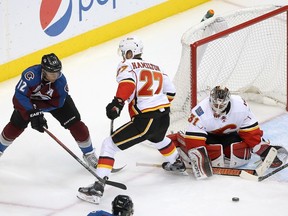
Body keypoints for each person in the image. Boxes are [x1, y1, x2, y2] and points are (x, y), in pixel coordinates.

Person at [77, 36, 185, 204]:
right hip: (164, 117)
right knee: (158, 138)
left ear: (130, 52)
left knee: (109, 145)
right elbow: (171, 92)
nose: (123, 56)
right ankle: (176, 162)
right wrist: (158, 106)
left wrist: (117, 104)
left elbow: (128, 84)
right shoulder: (156, 67)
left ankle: (97, 188)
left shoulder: (127, 65)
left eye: (124, 52)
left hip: (146, 119)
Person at [0, 53, 98, 169]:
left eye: (57, 72)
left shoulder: (61, 82)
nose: (55, 76)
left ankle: (89, 154)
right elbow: (19, 96)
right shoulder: (30, 75)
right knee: (16, 125)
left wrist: (38, 112)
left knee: (77, 125)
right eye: (52, 73)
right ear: (43, 70)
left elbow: (58, 104)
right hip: (30, 103)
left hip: (53, 103)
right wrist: (32, 111)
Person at [168, 86, 288, 179]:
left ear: (228, 101)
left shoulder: (240, 106)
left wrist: (263, 150)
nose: (218, 108)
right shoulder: (200, 112)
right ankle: (177, 140)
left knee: (238, 150)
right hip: (208, 137)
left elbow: (250, 132)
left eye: (222, 105)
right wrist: (198, 159)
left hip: (230, 134)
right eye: (215, 104)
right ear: (210, 100)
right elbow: (194, 142)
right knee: (209, 153)